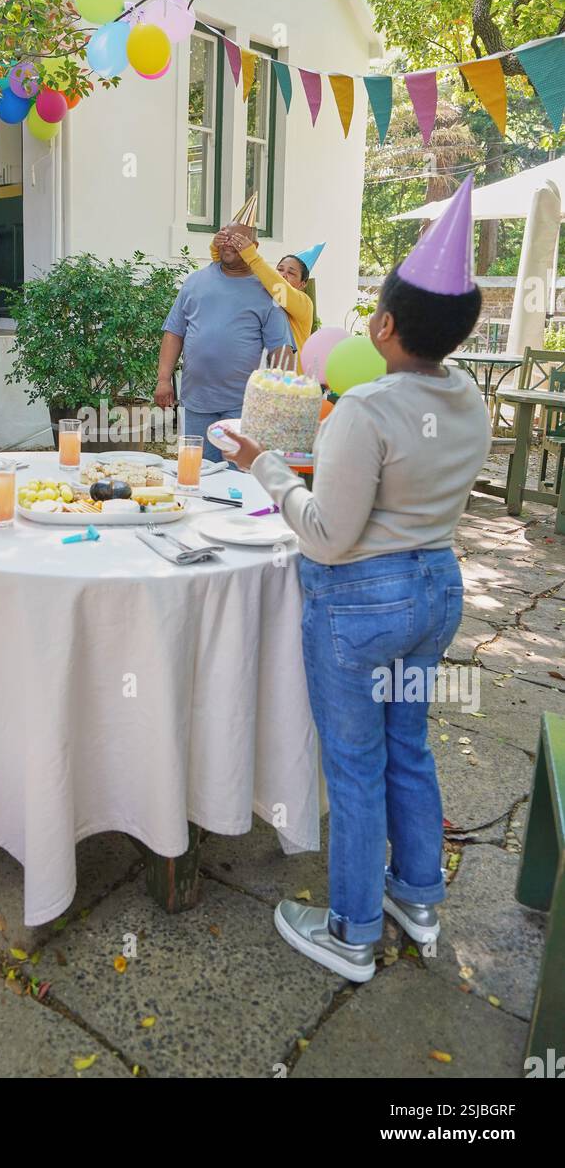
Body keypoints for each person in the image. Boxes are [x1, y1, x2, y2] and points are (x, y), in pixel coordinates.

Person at [219, 176, 491, 982]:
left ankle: (350, 931)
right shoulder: (469, 399)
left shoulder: (367, 409)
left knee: (354, 763)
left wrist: (263, 463)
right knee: (408, 747)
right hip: (436, 590)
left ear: (382, 325)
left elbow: (327, 538)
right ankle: (416, 896)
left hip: (361, 603)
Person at [156, 215, 295, 465]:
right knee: (196, 472)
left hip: (241, 407)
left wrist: (278, 395)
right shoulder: (195, 282)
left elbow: (281, 348)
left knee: (237, 477)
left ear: (254, 247)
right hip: (197, 402)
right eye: (226, 235)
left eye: (239, 238)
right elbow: (174, 332)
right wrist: (164, 379)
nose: (230, 243)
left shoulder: (266, 290)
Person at [209, 194, 315, 354]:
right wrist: (218, 249)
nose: (283, 274)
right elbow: (230, 273)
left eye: (291, 273)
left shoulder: (304, 304)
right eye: (280, 269)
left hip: (291, 377)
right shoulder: (266, 291)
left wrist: (252, 256)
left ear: (302, 284)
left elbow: (281, 291)